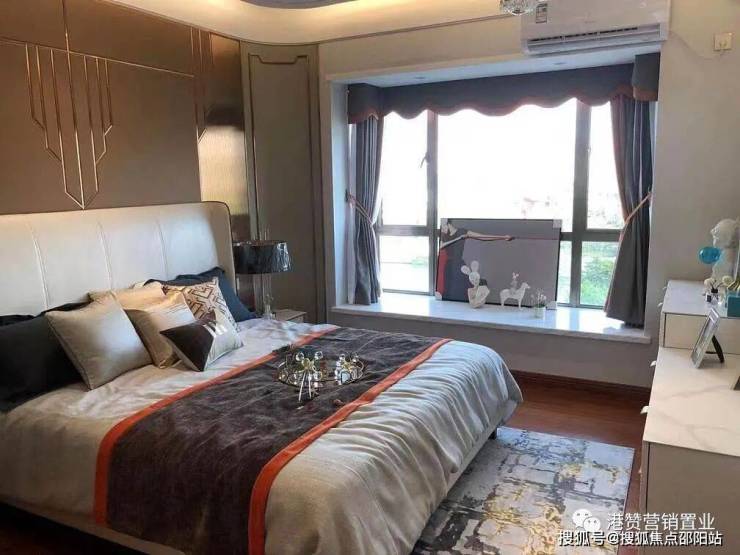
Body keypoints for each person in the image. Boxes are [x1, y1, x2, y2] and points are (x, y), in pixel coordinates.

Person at [435, 221, 513, 301]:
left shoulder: (462, 231)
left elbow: (482, 237)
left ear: (447, 224)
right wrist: (459, 238)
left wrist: (502, 237)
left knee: (461, 288)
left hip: (458, 264)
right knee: (448, 289)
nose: (442, 230)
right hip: (449, 266)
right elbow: (441, 246)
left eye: (443, 227)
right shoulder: (445, 236)